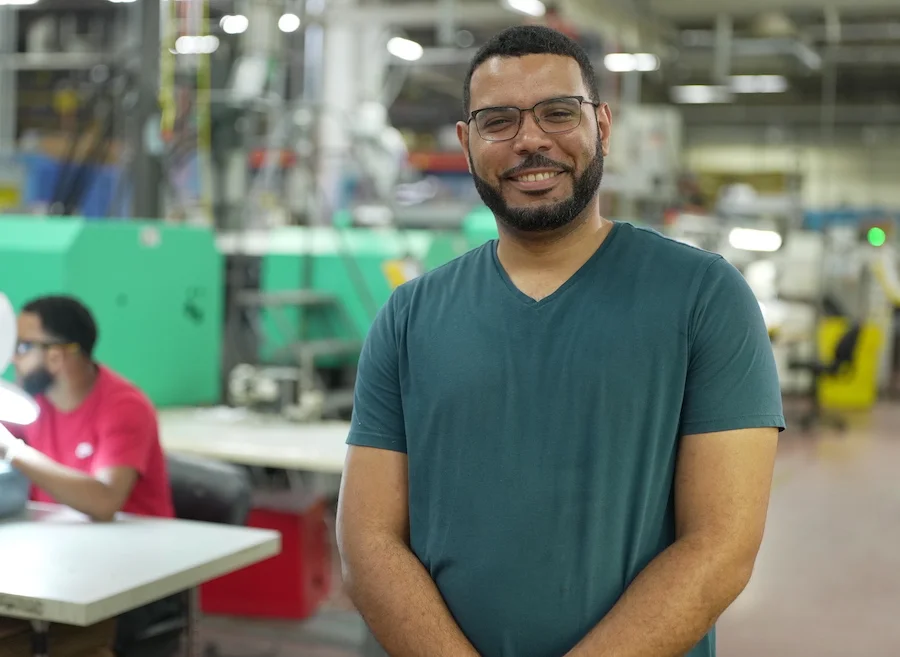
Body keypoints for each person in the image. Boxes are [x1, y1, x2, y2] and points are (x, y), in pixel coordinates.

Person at [337, 25, 784, 657]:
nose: (530, 140)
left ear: (602, 124)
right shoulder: (410, 315)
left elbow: (720, 546)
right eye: (498, 121)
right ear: (467, 142)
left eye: (558, 113)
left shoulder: (703, 299)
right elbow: (368, 543)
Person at [0, 294, 173, 521]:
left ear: (56, 356)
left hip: (132, 547)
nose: (13, 358)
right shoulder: (33, 401)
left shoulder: (124, 407)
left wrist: (13, 450)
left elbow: (105, 501)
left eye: (22, 346)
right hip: (55, 538)